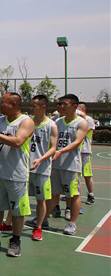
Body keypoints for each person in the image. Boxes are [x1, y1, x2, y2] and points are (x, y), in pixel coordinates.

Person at [0, 93, 34, 257]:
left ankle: (15, 240)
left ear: (14, 104)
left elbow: (18, 141)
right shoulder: (0, 120)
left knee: (17, 211)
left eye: (3, 103)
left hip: (16, 174)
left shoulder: (25, 122)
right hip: (0, 172)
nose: (0, 105)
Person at [49, 94, 88, 236]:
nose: (60, 106)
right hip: (56, 164)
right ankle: (43, 218)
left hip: (71, 165)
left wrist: (60, 151)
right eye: (59, 104)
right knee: (53, 194)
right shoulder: (58, 122)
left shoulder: (81, 123)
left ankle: (72, 223)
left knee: (73, 195)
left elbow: (77, 142)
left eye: (64, 104)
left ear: (74, 106)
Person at [24, 95, 58, 241]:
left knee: (40, 200)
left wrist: (40, 159)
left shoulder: (51, 125)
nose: (31, 108)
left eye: (34, 106)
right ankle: (8, 223)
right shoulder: (28, 123)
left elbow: (53, 148)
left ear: (43, 107)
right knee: (20, 198)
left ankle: (38, 227)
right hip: (24, 168)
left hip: (41, 169)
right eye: (31, 105)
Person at [77, 103, 96, 205]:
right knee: (76, 174)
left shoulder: (88, 120)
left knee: (87, 174)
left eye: (77, 109)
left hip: (85, 151)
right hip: (75, 151)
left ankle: (91, 194)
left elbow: (83, 131)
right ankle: (74, 194)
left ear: (82, 109)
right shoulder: (75, 120)